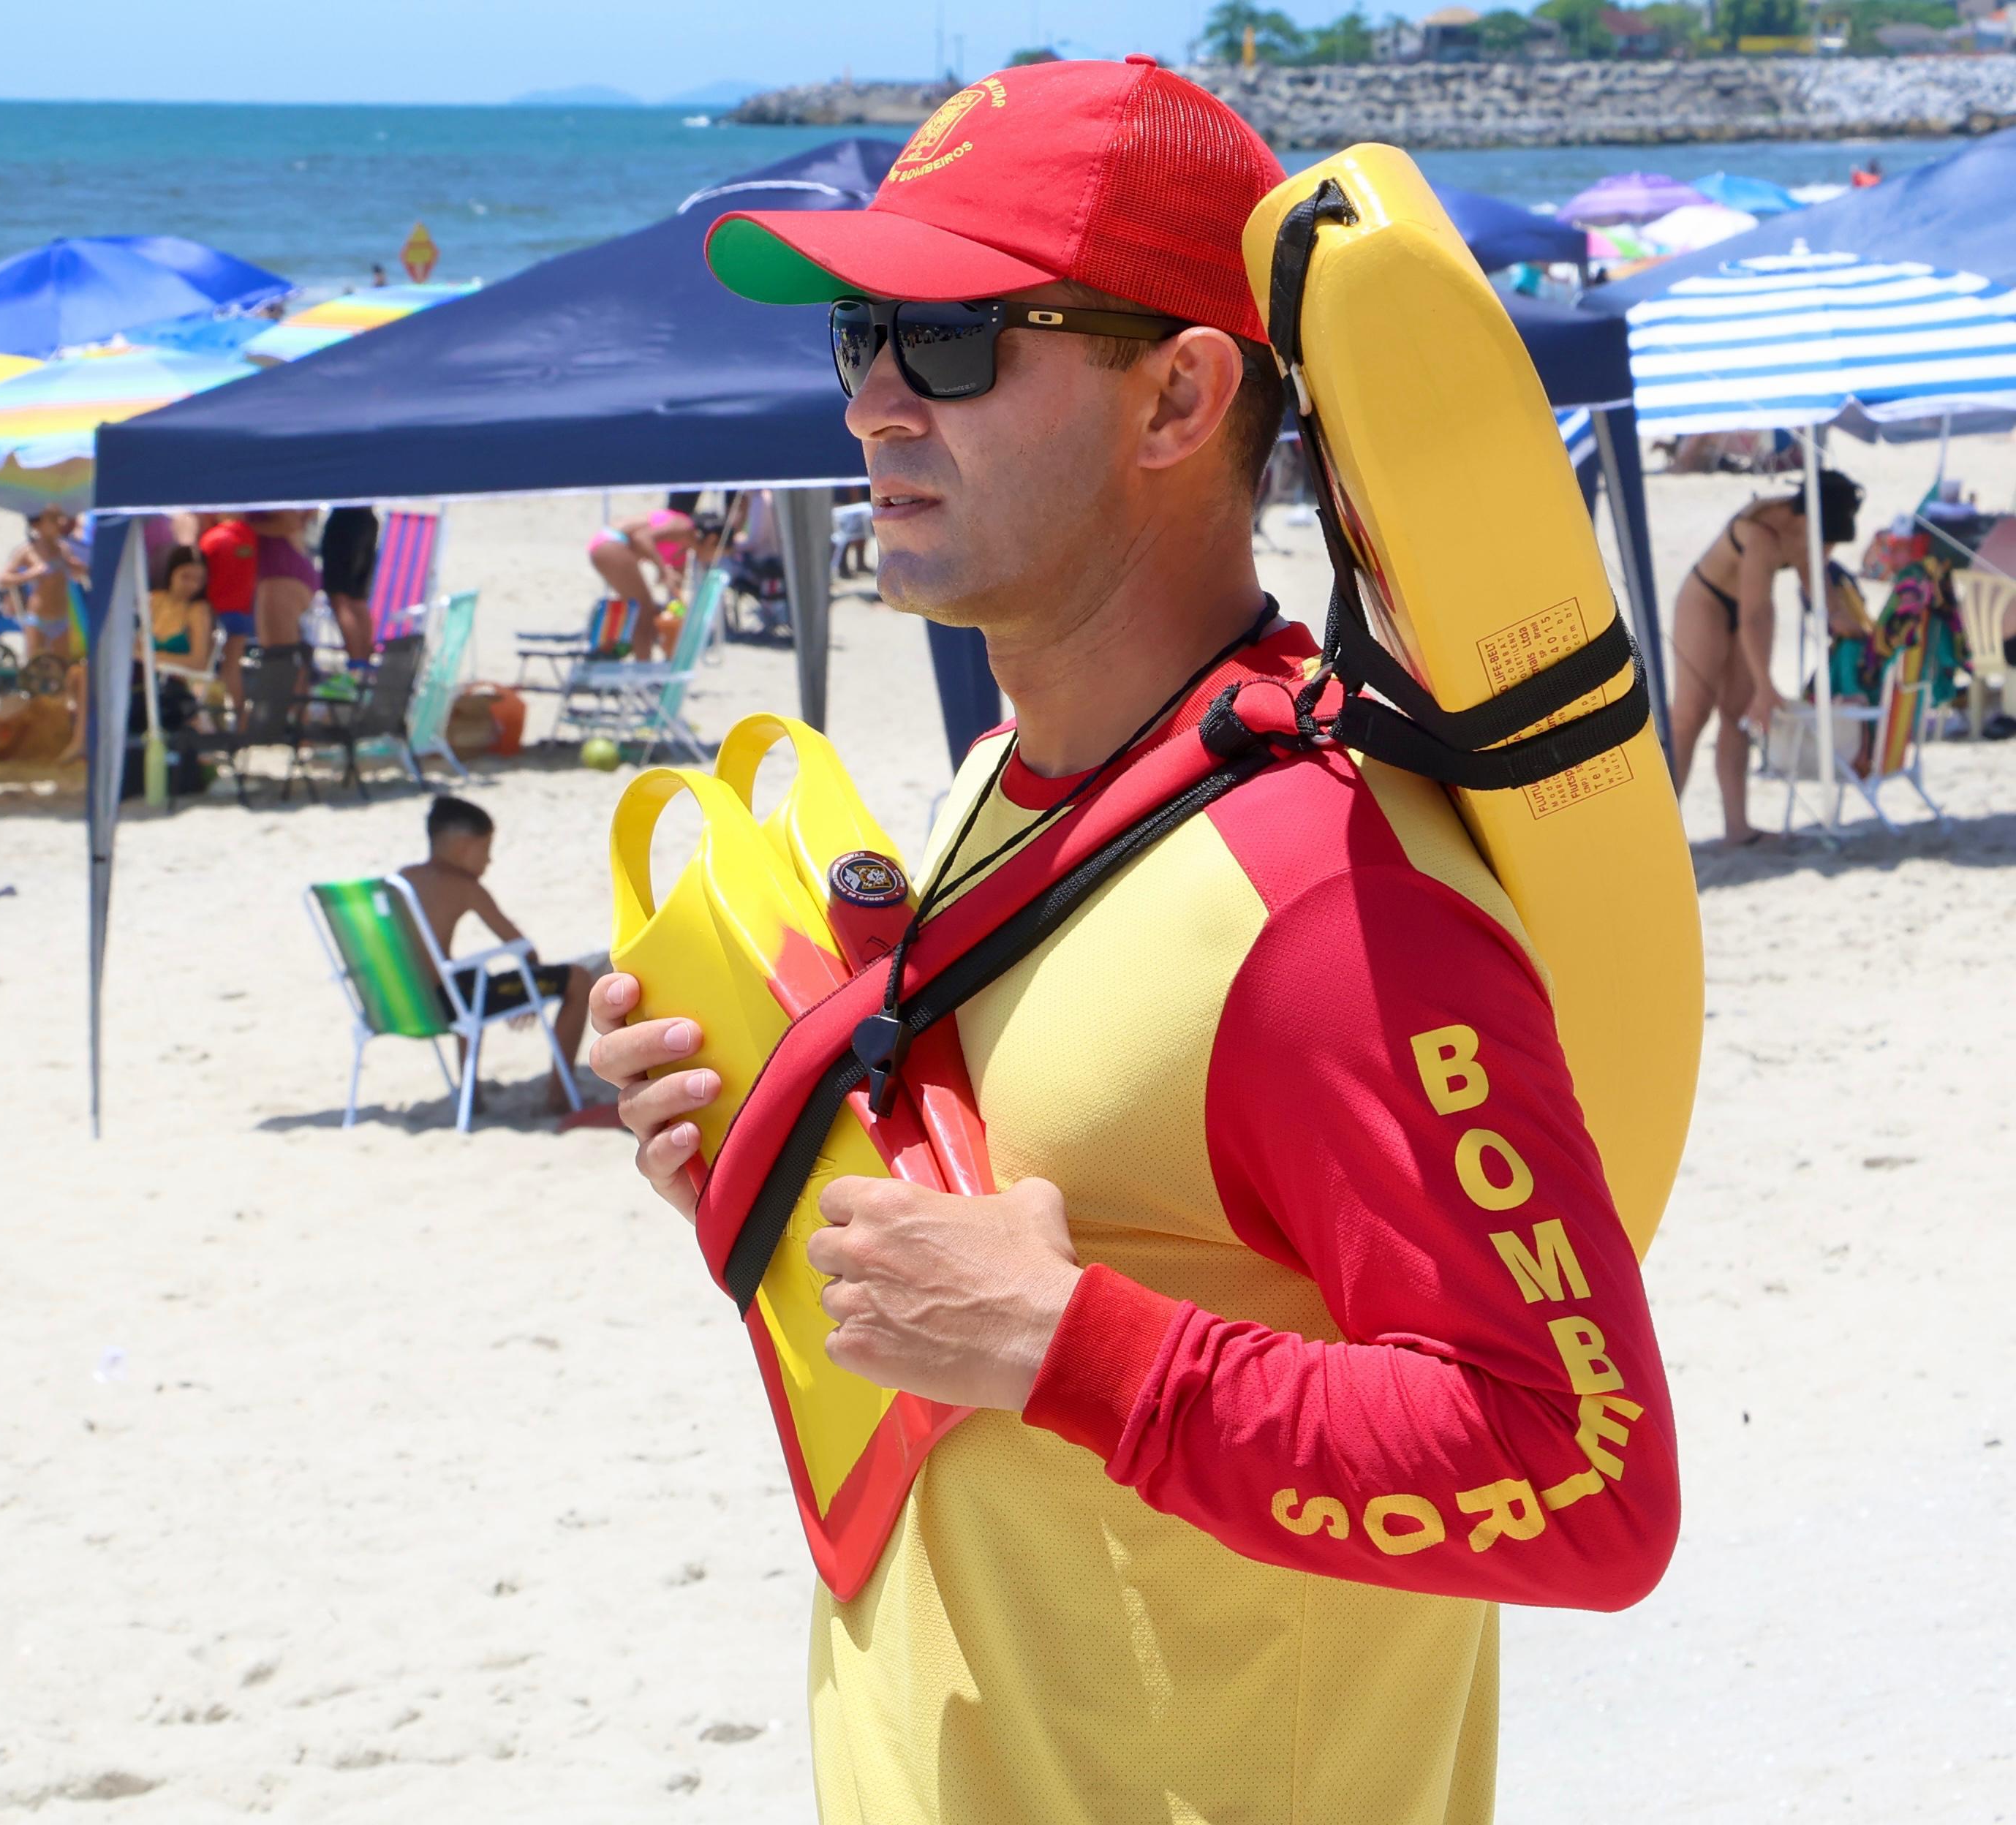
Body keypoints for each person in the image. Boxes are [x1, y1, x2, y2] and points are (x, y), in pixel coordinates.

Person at [585, 58, 1675, 1824]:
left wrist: (1061, 1342)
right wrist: (763, 1138)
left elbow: (1581, 1490)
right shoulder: (988, 793)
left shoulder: (1323, 892)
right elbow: (1012, 1233)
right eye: (857, 335)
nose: (870, 403)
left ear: (1175, 395)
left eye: (946, 341)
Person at [1666, 469, 1862, 845]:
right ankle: (1659, 830)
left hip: (1747, 612)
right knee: (1691, 714)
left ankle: (1738, 829)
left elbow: (1814, 580)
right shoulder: (1761, 531)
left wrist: (1842, 620)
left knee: (1739, 715)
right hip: (1705, 601)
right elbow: (1756, 614)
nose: (1826, 548)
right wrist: (1766, 686)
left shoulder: (1814, 528)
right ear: (1805, 517)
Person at [397, 795, 592, 1113]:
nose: (489, 862)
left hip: (404, 1003)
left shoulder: (402, 879)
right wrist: (533, 986)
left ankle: (470, 1094)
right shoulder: (464, 886)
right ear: (463, 846)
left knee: (469, 978)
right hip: (448, 1005)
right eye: (486, 850)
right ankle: (559, 1095)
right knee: (579, 979)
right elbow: (522, 946)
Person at [584, 505, 718, 659]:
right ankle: (643, 668)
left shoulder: (683, 550)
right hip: (611, 543)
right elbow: (641, 538)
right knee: (643, 611)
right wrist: (662, 569)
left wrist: (678, 611)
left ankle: (618, 653)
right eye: (718, 553)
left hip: (611, 546)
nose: (714, 560)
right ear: (712, 540)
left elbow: (675, 594)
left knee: (649, 612)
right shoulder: (683, 526)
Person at [197, 512, 262, 710]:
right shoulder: (251, 536)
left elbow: (201, 575)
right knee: (232, 668)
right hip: (242, 612)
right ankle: (241, 718)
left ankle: (203, 712)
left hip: (215, 611)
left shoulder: (211, 539)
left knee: (204, 664)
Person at [0, 507, 76, 663]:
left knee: (63, 669)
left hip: (61, 618)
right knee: (36, 668)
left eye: (60, 518)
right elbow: (3, 579)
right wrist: (30, 574)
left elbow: (77, 570)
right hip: (39, 619)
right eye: (53, 520)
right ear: (37, 526)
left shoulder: (63, 549)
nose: (61, 523)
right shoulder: (28, 551)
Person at [249, 508, 321, 650]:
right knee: (279, 652)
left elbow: (291, 524)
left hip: (282, 572)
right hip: (280, 572)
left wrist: (241, 527)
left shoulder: (267, 490)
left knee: (280, 654)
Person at [319, 505, 380, 660]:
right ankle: (362, 664)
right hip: (366, 517)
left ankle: (356, 664)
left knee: (340, 596)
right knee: (356, 597)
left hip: (346, 517)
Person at [148, 544, 212, 668]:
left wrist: (149, 658)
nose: (193, 586)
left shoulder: (198, 611)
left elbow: (199, 662)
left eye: (199, 580)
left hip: (174, 683)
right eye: (185, 577)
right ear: (172, 573)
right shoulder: (152, 600)